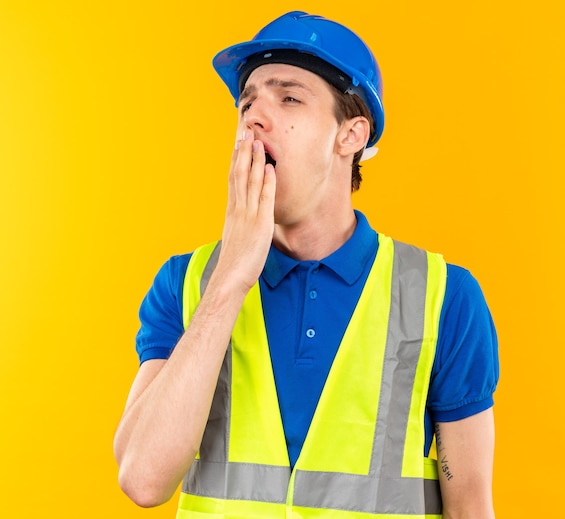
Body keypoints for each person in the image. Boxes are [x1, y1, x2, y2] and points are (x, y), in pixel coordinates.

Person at [114, 10, 499, 519]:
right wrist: (231, 279)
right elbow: (142, 480)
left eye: (289, 97)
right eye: (246, 102)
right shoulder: (187, 284)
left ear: (351, 136)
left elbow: (469, 505)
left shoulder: (442, 298)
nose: (253, 116)